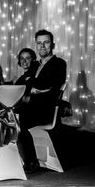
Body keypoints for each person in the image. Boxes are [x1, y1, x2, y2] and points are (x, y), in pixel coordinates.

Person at [17, 30, 67, 173]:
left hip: (47, 108)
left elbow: (52, 85)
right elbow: (23, 83)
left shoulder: (58, 63)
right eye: (39, 43)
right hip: (32, 106)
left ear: (53, 45)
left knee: (21, 117)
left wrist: (34, 89)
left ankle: (31, 162)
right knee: (10, 112)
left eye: (46, 42)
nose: (42, 46)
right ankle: (14, 158)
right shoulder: (33, 65)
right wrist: (34, 88)